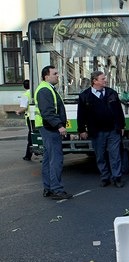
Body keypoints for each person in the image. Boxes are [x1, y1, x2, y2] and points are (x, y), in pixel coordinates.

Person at [78, 71, 126, 188]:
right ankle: (105, 177)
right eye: (103, 79)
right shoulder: (85, 96)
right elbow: (81, 114)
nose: (106, 80)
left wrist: (121, 126)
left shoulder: (111, 93)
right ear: (95, 81)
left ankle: (117, 177)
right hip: (96, 131)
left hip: (113, 130)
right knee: (100, 156)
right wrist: (81, 130)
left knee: (115, 155)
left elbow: (119, 111)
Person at [34, 65, 73, 200]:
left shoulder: (47, 89)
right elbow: (48, 112)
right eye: (55, 73)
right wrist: (59, 126)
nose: (58, 76)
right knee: (55, 159)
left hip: (47, 127)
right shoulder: (45, 90)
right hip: (50, 128)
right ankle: (57, 190)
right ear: (46, 76)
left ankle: (49, 188)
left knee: (47, 159)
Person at [16, 79, 33, 161]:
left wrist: (18, 111)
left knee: (30, 137)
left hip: (30, 118)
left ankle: (28, 155)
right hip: (37, 117)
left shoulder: (25, 94)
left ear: (24, 86)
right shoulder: (34, 92)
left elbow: (24, 107)